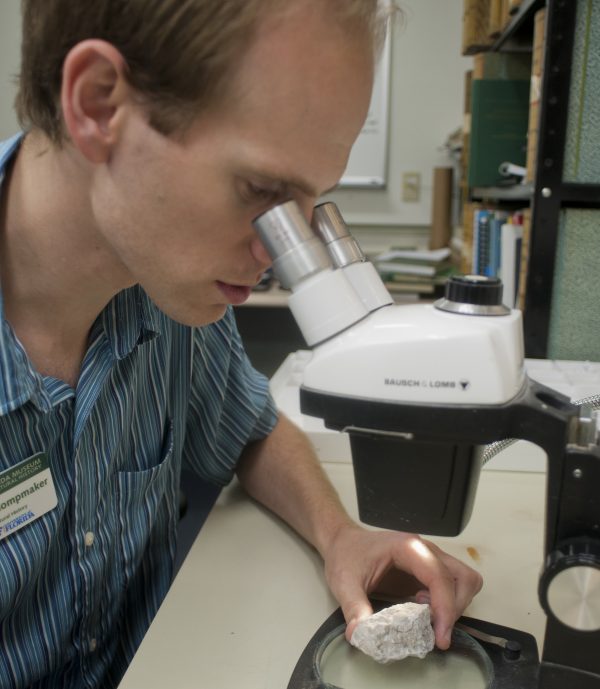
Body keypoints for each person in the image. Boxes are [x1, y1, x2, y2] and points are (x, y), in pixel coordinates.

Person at [0, 0, 482, 686]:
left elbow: (250, 428)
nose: (282, 254)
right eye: (262, 190)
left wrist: (339, 533)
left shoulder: (166, 286)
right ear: (100, 104)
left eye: (310, 204)